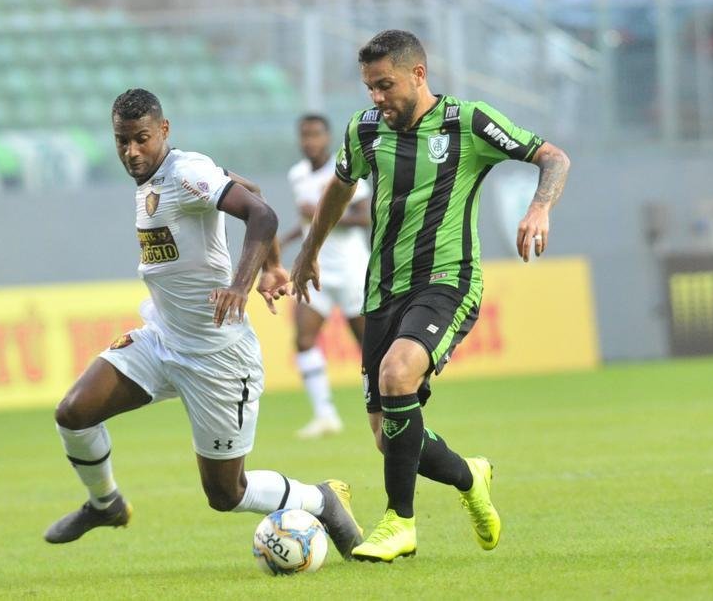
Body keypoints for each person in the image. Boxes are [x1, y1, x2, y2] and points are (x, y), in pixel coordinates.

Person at [286, 29, 571, 562]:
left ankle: (400, 522)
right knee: (387, 436)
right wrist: (309, 250)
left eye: (385, 85)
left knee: (397, 375)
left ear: (418, 74)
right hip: (382, 288)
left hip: (447, 280)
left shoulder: (468, 122)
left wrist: (539, 208)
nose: (376, 97)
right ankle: (470, 477)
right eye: (369, 87)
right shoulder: (365, 128)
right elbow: (341, 186)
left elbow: (553, 157)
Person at [43, 89, 363, 559]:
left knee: (226, 493)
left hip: (217, 357)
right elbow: (253, 191)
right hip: (162, 340)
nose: (131, 151)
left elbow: (261, 214)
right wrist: (273, 264)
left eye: (141, 138)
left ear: (164, 130)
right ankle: (105, 503)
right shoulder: (156, 176)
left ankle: (322, 501)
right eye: (122, 141)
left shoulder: (186, 172)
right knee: (73, 412)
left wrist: (241, 284)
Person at [282, 114, 371, 439]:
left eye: (316, 134)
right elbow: (310, 223)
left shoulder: (345, 169)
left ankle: (385, 407)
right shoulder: (297, 175)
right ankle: (325, 415)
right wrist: (284, 241)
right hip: (316, 270)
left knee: (368, 346)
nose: (310, 141)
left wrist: (321, 210)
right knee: (303, 340)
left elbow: (365, 218)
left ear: (328, 137)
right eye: (305, 135)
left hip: (351, 271)